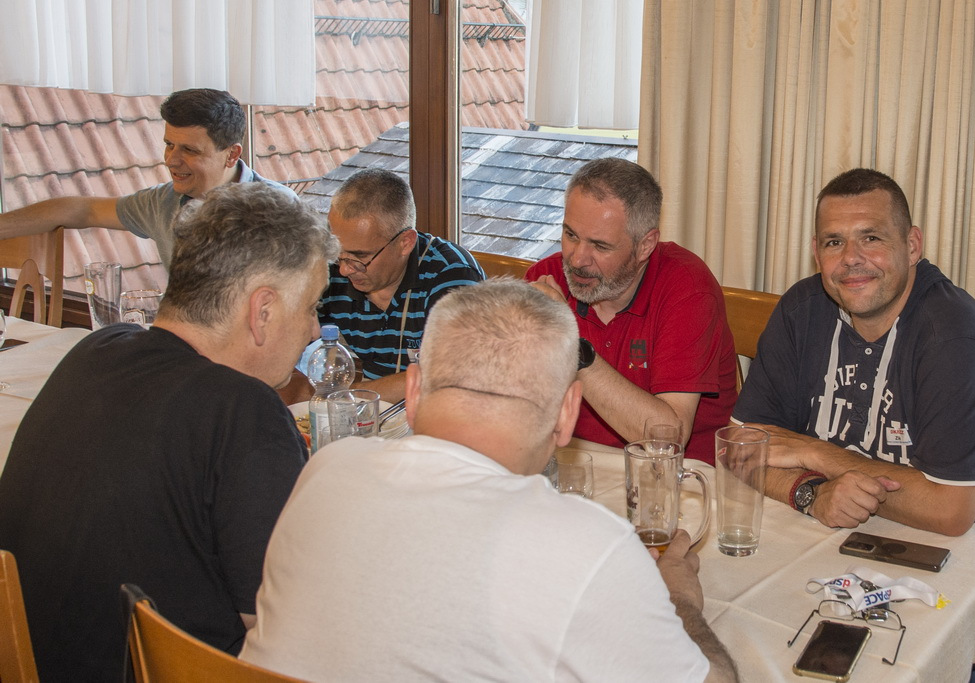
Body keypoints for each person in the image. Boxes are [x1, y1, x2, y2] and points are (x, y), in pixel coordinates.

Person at [240, 279, 737, 682]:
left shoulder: (325, 470)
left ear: (412, 390)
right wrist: (680, 601)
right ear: (568, 413)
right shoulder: (588, 546)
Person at [0, 183, 338, 681]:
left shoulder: (95, 350)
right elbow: (286, 632)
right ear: (262, 311)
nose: (313, 329)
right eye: (311, 306)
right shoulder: (244, 413)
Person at [733, 168, 975, 537]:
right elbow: (740, 450)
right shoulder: (801, 310)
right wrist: (812, 492)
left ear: (912, 245)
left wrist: (815, 454)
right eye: (834, 242)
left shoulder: (952, 336)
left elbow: (949, 511)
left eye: (871, 238)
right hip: (860, 527)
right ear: (816, 252)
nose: (851, 258)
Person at [526, 158, 736, 464]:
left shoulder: (688, 289)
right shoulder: (546, 278)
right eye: (571, 235)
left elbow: (668, 439)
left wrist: (568, 343)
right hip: (575, 468)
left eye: (600, 246)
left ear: (645, 245)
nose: (577, 259)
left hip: (678, 479)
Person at [0, 88, 295, 268]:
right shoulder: (160, 203)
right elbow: (82, 210)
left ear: (231, 154)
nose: (171, 160)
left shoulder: (281, 210)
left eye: (189, 150)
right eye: (169, 144)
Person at [312, 168, 484, 403]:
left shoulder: (453, 274)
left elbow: (452, 374)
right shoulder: (331, 269)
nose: (344, 270)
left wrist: (349, 397)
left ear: (405, 243)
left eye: (360, 257)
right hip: (369, 409)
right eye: (338, 254)